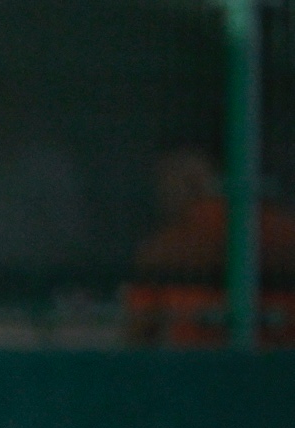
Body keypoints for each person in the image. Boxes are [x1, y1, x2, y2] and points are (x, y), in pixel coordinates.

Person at [122, 147, 295, 346]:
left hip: (200, 360)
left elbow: (138, 331)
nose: (162, 197)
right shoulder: (282, 230)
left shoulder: (166, 248)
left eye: (166, 186)